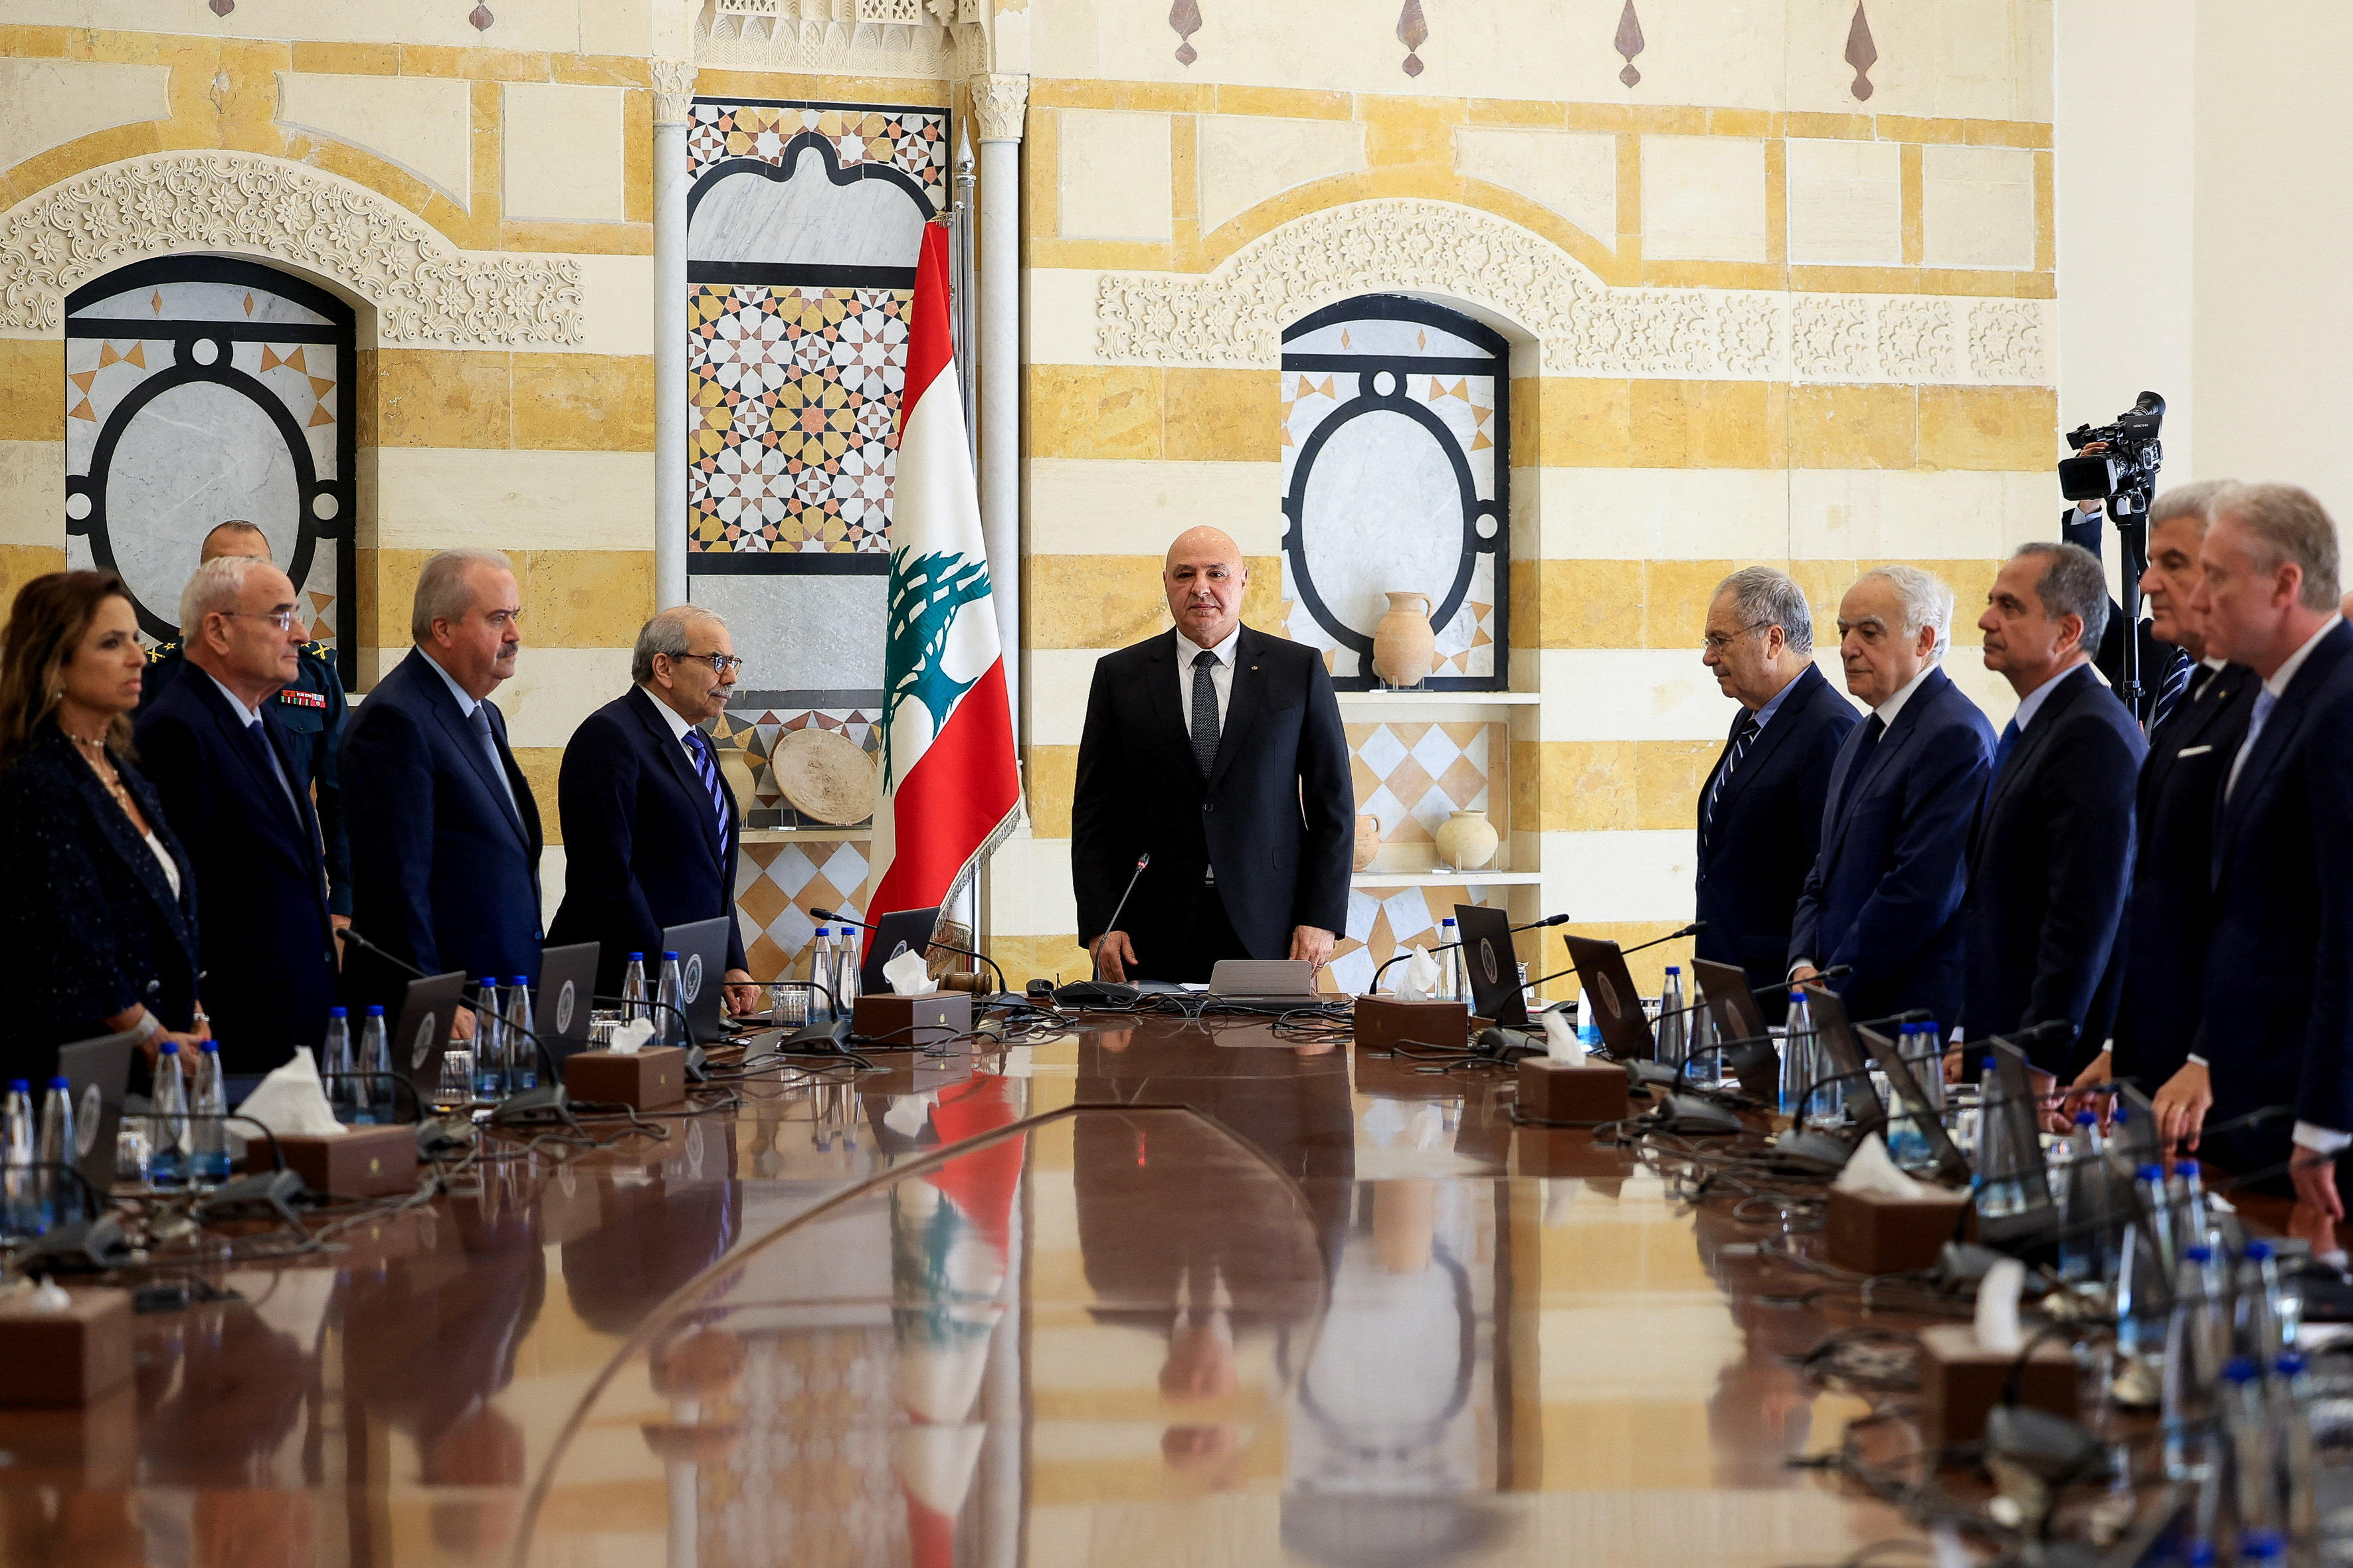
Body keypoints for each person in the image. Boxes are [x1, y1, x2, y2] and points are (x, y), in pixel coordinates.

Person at [1072, 526, 1352, 984]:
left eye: (1216, 573)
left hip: (1273, 926)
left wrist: (1321, 915)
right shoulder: (1118, 676)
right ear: (1166, 583)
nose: (1200, 586)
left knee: (1267, 1054)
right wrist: (1103, 920)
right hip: (1149, 929)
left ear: (1243, 580)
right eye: (1185, 574)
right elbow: (1094, 814)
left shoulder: (1297, 670)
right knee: (1152, 1055)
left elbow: (1332, 804)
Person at [2180, 483, 2353, 1217]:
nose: (2197, 596)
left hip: (2305, 1103)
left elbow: (2344, 928)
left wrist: (2325, 1119)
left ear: (2285, 584)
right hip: (2253, 1087)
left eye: (2216, 575)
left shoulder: (2340, 701)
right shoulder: (2276, 696)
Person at [2067, 483, 2258, 1138]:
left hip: (2229, 1081)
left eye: (2170, 564)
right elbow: (2153, 900)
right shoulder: (2199, 693)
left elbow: (2261, 915)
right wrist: (2122, 1046)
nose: (2145, 583)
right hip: (2157, 1061)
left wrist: (2207, 1051)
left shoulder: (2269, 703)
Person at [134, 556, 339, 1078]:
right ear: (219, 630)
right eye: (280, 617)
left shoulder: (261, 715)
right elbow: (181, 891)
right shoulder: (178, 728)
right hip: (237, 1028)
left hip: (296, 1017)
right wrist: (195, 1006)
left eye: (296, 614)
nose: (299, 634)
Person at [0, 570, 204, 1079]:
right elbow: (72, 940)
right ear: (56, 664)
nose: (138, 657)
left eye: (135, 639)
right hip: (81, 1066)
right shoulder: (38, 779)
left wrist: (195, 1015)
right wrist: (152, 1035)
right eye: (112, 644)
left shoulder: (124, 771)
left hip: (160, 1053)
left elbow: (171, 918)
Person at [1958, 543, 2146, 1075]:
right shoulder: (2036, 723)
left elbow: (2082, 920)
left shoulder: (2091, 734)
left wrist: (2037, 1062)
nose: (1985, 618)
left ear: (2067, 633)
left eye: (2010, 607)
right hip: (2005, 1040)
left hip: (2057, 1070)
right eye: (1993, 601)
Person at [1788, 566, 1994, 1030]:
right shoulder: (1862, 732)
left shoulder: (1955, 734)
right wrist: (1803, 961)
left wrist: (1832, 981)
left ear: (1924, 640)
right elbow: (1824, 868)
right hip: (1838, 1006)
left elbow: (1921, 891)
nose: (1846, 648)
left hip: (1905, 1017)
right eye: (1844, 631)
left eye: (1869, 632)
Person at [340, 549, 543, 1003]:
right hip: (443, 1009)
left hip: (500, 997)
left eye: (514, 615)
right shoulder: (395, 721)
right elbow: (395, 889)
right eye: (498, 618)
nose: (515, 634)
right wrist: (433, 996)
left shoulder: (484, 713)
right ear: (443, 628)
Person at [548, 607, 762, 1014]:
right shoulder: (610, 736)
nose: (730, 677)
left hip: (682, 981)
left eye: (732, 663)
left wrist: (730, 959)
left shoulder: (698, 742)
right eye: (717, 662)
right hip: (620, 986)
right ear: (664, 667)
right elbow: (606, 876)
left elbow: (713, 871)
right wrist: (667, 967)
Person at [145, 521, 352, 929]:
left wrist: (343, 903)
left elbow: (340, 796)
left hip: (296, 910)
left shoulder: (310, 675)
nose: (299, 634)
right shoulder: (164, 692)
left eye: (255, 565)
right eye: (226, 569)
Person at [1692, 566, 1857, 1021]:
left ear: (1774, 639)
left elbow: (1826, 874)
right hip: (1728, 979)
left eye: (1720, 640)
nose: (1709, 657)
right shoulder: (1750, 719)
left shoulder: (1829, 728)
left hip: (1779, 992)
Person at [2059, 496, 2196, 724]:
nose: (2149, 583)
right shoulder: (2150, 646)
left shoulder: (2250, 675)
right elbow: (2084, 600)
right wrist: (2089, 506)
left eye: (2173, 568)